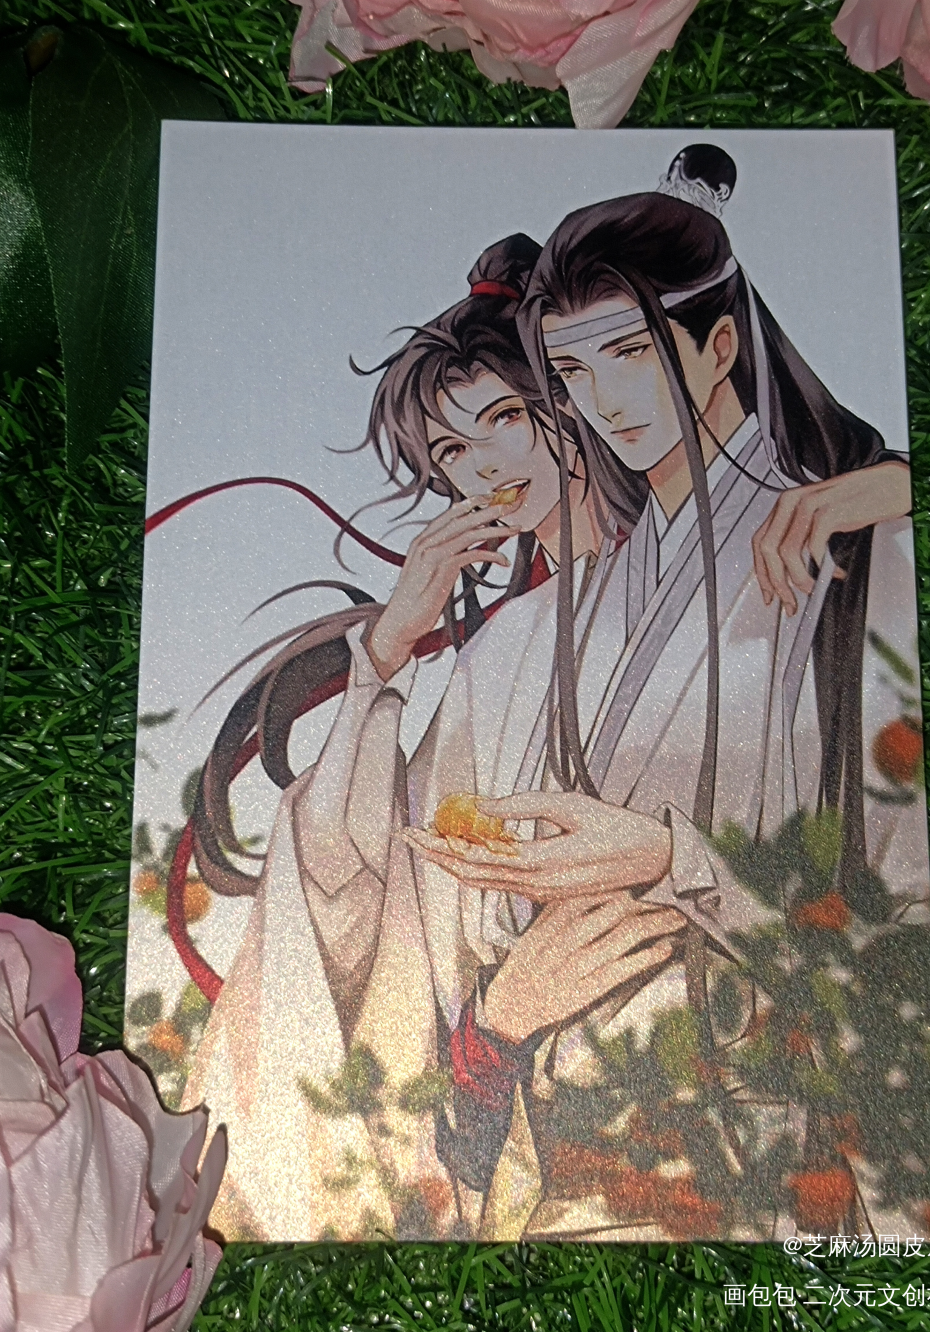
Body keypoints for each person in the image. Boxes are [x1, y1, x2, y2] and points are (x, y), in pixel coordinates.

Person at [402, 147, 930, 1239]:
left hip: (762, 1165)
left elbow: (907, 916)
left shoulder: (852, 548)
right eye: (572, 372)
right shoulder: (576, 602)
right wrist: (500, 1010)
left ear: (721, 344)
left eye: (632, 353)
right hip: (569, 1163)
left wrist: (667, 859)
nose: (605, 402)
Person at [180, 234, 648, 1241]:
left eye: (505, 419)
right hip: (539, 1072)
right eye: (452, 453)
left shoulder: (701, 576)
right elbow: (359, 882)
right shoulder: (500, 654)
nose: (485, 467)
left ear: (571, 399)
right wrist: (387, 649)